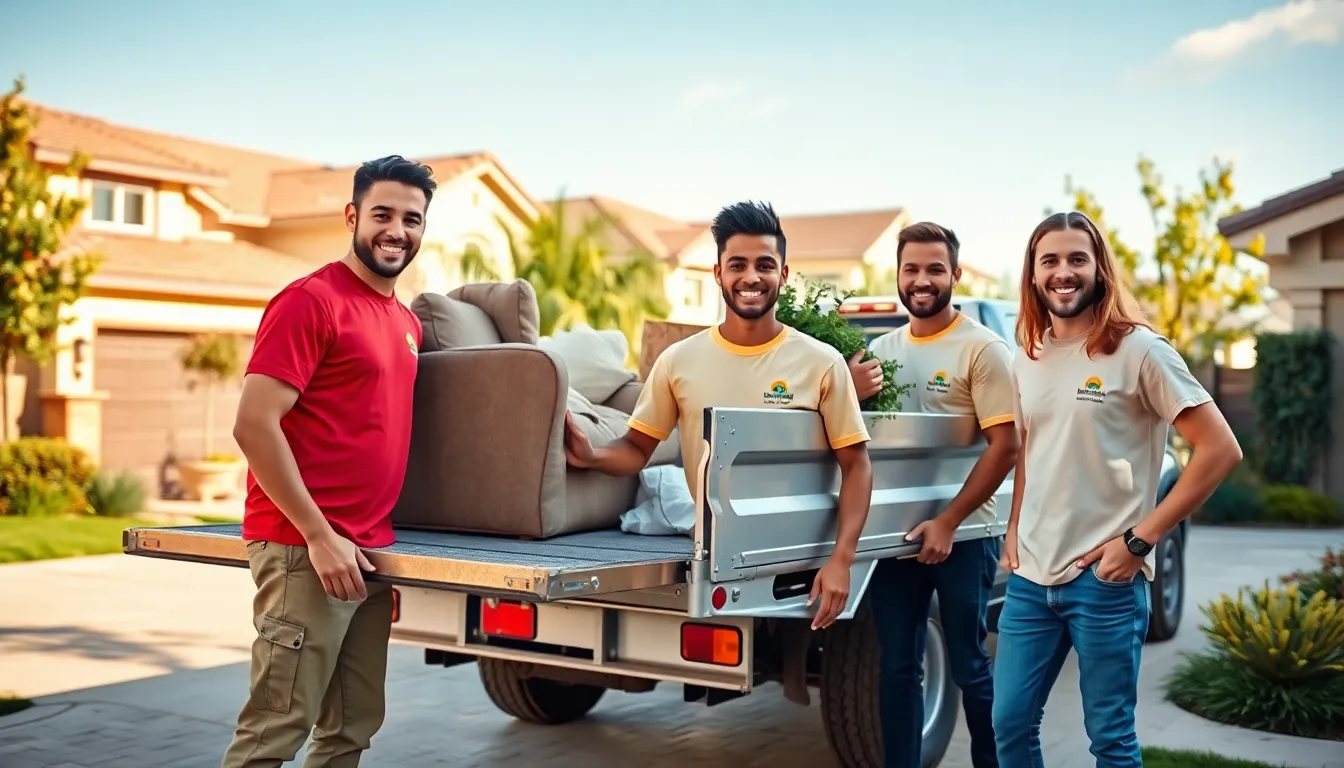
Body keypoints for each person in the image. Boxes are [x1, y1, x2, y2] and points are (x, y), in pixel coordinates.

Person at [991, 211, 1242, 767]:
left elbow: (1220, 449)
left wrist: (1138, 543)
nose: (1063, 272)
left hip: (1103, 582)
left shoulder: (1140, 351)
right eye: (1049, 260)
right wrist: (1012, 530)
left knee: (1110, 740)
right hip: (1032, 578)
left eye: (1077, 259)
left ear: (1099, 268)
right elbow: (1030, 450)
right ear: (1032, 275)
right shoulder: (1026, 356)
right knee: (1008, 725)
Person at [563, 200, 873, 629]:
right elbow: (636, 448)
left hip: (797, 553)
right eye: (737, 264)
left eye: (765, 264)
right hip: (712, 549)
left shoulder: (822, 363)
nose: (751, 277)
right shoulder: (678, 361)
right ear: (718, 273)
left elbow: (857, 466)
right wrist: (591, 456)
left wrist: (843, 559)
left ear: (782, 275)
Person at [221, 155, 437, 768]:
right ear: (352, 216)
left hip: (367, 551)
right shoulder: (310, 302)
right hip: (303, 549)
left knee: (352, 728)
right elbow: (253, 424)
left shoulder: (404, 321)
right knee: (274, 732)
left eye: (412, 219)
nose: (397, 230)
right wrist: (319, 536)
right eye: (383, 214)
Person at [850, 222, 1018, 768]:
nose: (922, 280)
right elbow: (859, 442)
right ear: (898, 275)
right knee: (898, 666)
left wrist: (948, 522)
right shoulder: (879, 351)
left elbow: (1006, 446)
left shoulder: (984, 350)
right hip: (894, 536)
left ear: (955, 275)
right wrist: (851, 395)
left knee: (970, 663)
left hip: (966, 534)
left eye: (934, 269)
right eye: (912, 269)